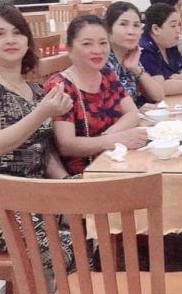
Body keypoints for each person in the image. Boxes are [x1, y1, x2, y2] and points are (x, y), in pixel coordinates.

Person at [0, 4, 76, 267]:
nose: (10, 40)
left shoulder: (36, 89)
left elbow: (44, 151)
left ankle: (82, 293)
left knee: (100, 219)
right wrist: (42, 112)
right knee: (72, 247)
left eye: (17, 32)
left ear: (27, 41)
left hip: (35, 195)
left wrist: (67, 184)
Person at [46, 15, 147, 176]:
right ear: (69, 49)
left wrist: (110, 136)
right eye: (87, 44)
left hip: (115, 161)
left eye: (103, 43)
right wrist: (114, 140)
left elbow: (133, 113)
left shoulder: (108, 75)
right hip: (85, 174)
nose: (98, 50)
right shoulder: (61, 86)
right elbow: (66, 145)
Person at [104, 1, 165, 108]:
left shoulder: (131, 55)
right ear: (109, 31)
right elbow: (108, 108)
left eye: (136, 25)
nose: (131, 31)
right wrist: (138, 111)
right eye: (123, 24)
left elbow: (158, 96)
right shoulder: (103, 62)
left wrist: (135, 68)